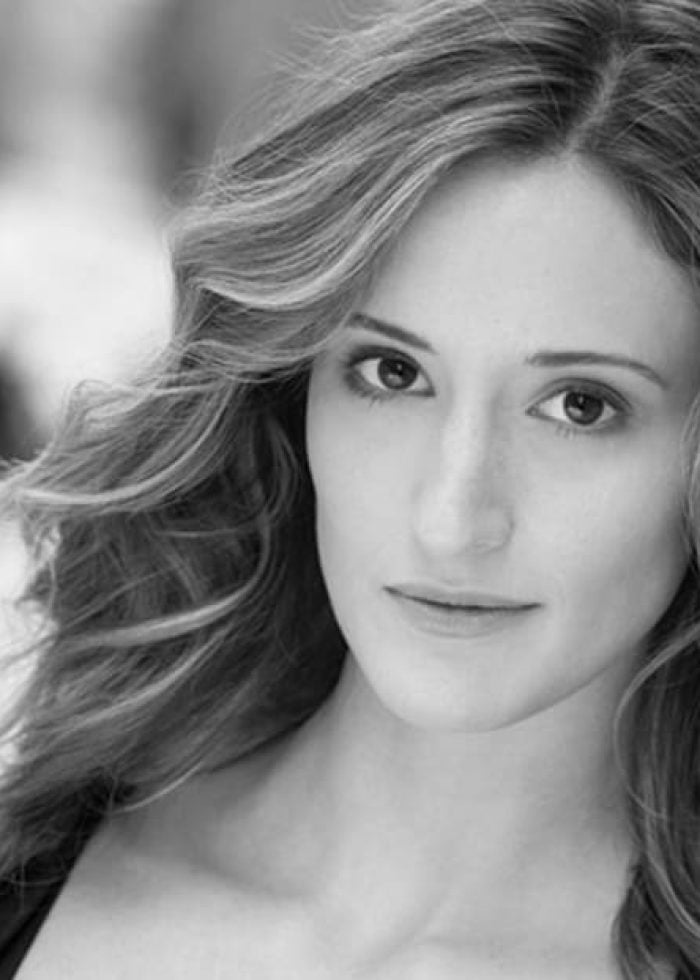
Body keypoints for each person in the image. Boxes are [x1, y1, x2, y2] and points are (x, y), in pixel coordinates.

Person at [1, 0, 700, 976]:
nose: (451, 519)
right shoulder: (36, 859)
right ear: (293, 392)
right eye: (392, 374)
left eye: (580, 406)